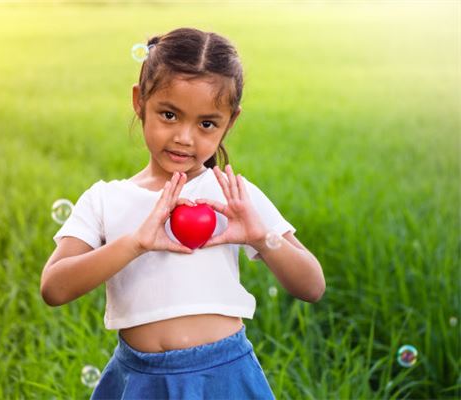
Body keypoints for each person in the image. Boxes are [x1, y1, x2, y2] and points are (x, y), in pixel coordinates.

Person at [40, 27, 325, 399]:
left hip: (222, 378)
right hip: (141, 380)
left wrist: (261, 238)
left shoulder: (232, 196)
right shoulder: (105, 200)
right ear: (139, 101)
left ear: (230, 123)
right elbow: (54, 287)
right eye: (169, 114)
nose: (184, 137)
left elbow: (312, 286)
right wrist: (135, 243)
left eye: (207, 124)